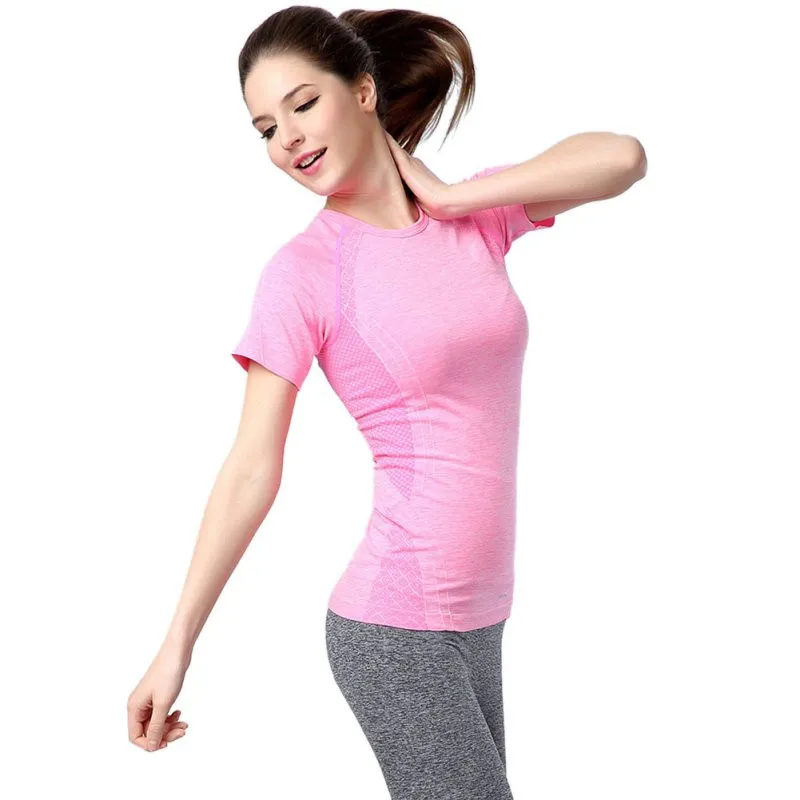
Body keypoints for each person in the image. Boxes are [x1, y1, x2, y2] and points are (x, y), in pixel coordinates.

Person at [126, 5, 646, 798]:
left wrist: (452, 197)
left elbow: (623, 158)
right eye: (266, 128)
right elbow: (250, 468)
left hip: (481, 617)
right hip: (398, 627)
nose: (288, 138)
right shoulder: (306, 273)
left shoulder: (472, 219)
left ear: (363, 91)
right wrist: (176, 646)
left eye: (303, 104)